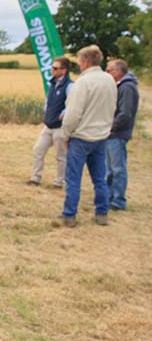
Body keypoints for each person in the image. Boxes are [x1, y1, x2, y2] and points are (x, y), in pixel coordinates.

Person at [58, 45, 117, 227]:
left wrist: (66, 135)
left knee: (73, 178)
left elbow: (73, 114)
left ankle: (69, 215)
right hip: (100, 137)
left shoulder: (82, 83)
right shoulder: (109, 80)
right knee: (99, 178)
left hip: (81, 137)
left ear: (84, 61)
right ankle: (102, 213)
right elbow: (113, 107)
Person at [28, 57, 73, 188]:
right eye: (52, 67)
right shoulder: (53, 84)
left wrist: (63, 115)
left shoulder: (70, 86)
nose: (52, 70)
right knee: (38, 150)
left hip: (60, 127)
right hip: (48, 125)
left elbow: (71, 104)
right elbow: (48, 101)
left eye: (55, 68)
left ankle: (59, 181)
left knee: (61, 155)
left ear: (64, 70)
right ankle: (35, 177)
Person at [105, 59, 139, 211]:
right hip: (113, 133)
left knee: (117, 168)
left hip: (117, 134)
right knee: (110, 168)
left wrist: (112, 128)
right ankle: (109, 196)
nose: (107, 73)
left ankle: (118, 200)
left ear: (118, 72)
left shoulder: (127, 87)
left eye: (109, 70)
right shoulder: (120, 86)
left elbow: (125, 113)